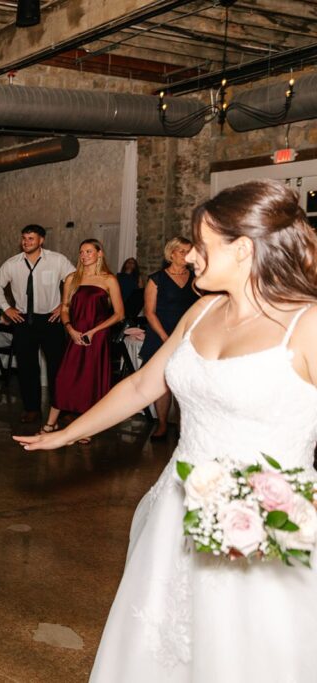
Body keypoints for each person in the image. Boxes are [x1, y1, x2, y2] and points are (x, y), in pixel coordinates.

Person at [17, 179, 317, 681]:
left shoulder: (306, 324)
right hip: (180, 501)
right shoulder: (201, 312)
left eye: (201, 246)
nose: (190, 257)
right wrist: (65, 434)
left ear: (242, 249)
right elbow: (140, 386)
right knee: (165, 646)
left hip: (264, 510)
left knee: (245, 652)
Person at [0, 225, 76, 423]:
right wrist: (6, 308)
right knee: (27, 367)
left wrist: (64, 305)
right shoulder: (13, 263)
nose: (26, 242)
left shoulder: (57, 260)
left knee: (57, 367)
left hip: (50, 320)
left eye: (31, 239)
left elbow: (75, 280)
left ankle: (60, 407)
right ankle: (31, 408)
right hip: (23, 320)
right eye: (24, 238)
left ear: (41, 240)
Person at [40, 239, 124, 439]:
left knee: (90, 380)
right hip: (75, 334)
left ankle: (86, 428)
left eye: (89, 251)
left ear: (99, 253)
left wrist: (94, 331)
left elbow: (119, 314)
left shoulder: (108, 279)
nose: (84, 255)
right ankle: (50, 424)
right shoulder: (72, 279)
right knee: (64, 378)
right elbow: (65, 308)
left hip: (97, 336)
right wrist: (70, 329)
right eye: (81, 252)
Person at [141, 236, 197, 440]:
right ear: (171, 253)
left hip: (188, 337)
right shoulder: (157, 279)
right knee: (163, 383)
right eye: (181, 251)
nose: (186, 255)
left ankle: (183, 426)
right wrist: (166, 338)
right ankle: (162, 424)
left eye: (188, 251)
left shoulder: (196, 277)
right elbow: (149, 312)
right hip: (161, 335)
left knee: (184, 384)